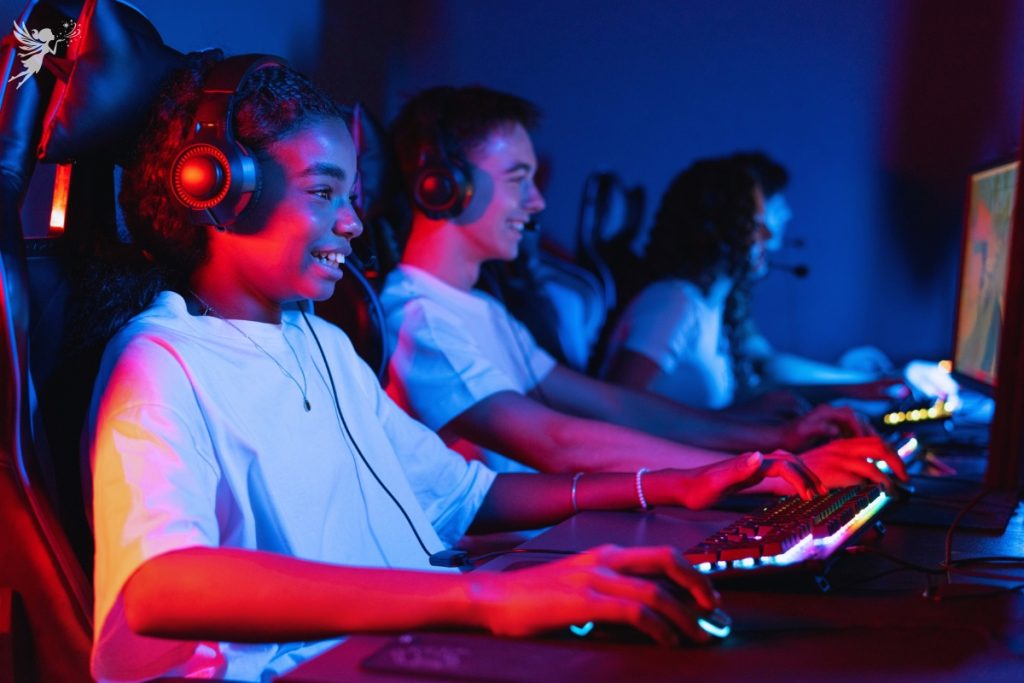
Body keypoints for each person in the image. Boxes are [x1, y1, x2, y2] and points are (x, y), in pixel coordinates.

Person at [86, 53, 835, 683]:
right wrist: (482, 598)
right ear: (218, 189)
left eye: (352, 196)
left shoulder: (319, 343)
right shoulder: (162, 360)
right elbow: (157, 585)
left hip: (395, 648)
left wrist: (671, 484)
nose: (352, 221)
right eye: (323, 193)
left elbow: (470, 495)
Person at [381, 85, 905, 488]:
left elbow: (617, 406)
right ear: (442, 186)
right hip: (514, 564)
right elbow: (556, 441)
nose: (537, 202)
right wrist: (764, 470)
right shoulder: (421, 320)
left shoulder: (481, 309)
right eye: (519, 179)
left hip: (557, 542)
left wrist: (775, 439)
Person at [604, 154, 930, 413]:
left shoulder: (708, 308)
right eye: (756, 223)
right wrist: (740, 423)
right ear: (716, 230)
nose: (771, 235)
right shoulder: (673, 303)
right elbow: (618, 410)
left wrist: (857, 388)